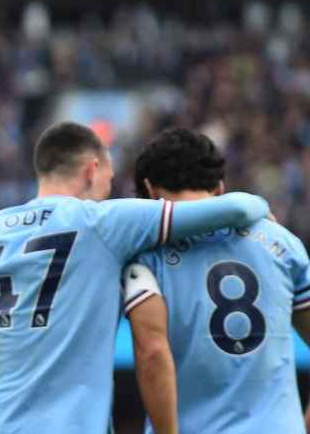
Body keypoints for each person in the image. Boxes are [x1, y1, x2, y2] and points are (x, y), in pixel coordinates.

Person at [0, 121, 271, 433]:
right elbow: (237, 210)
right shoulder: (101, 223)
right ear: (92, 171)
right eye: (108, 180)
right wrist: (262, 207)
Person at [123, 127, 310, 433]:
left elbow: (154, 353)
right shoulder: (282, 242)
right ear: (220, 188)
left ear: (150, 189)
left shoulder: (147, 256)